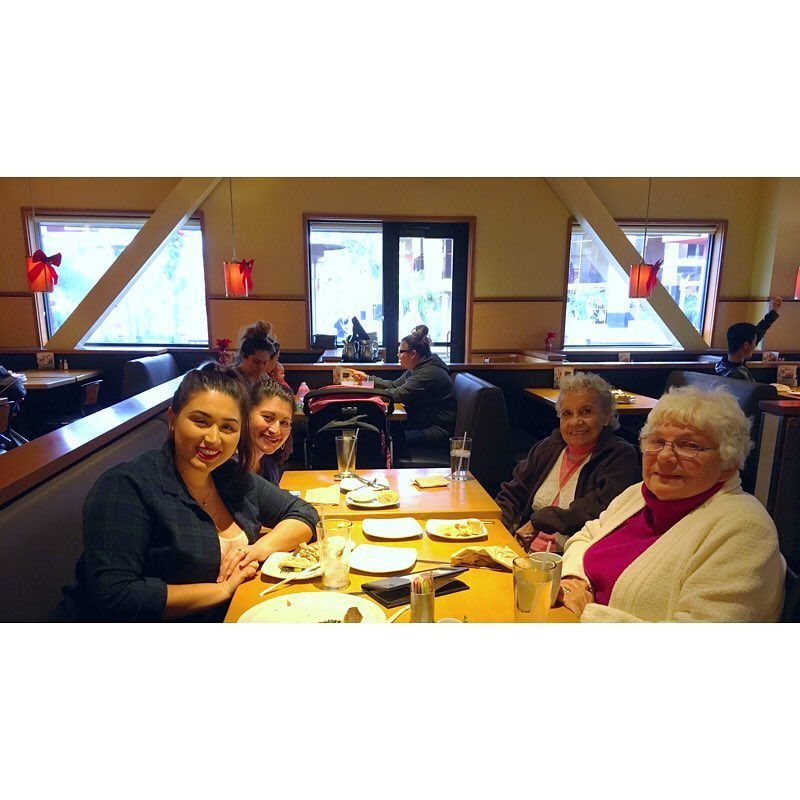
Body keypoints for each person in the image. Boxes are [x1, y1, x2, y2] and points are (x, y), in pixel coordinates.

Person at [53, 363, 318, 622]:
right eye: (201, 421)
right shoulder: (127, 486)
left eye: (228, 427)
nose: (214, 439)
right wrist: (222, 590)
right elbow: (115, 596)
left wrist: (258, 549)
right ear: (172, 419)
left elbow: (304, 514)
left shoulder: (229, 475)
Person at [559, 386, 785, 622]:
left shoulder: (745, 530)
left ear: (729, 463)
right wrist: (574, 581)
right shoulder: (639, 494)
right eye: (656, 441)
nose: (665, 457)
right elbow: (587, 535)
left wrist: (587, 612)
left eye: (690, 446)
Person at [496, 373, 640, 553]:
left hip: (573, 558)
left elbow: (598, 509)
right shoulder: (548, 447)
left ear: (606, 416)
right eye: (567, 414)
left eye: (586, 411)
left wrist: (538, 521)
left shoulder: (620, 456)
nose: (575, 422)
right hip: (522, 551)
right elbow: (514, 491)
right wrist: (496, 528)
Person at [347, 325, 455, 450]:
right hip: (419, 423)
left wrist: (366, 393)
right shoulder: (418, 367)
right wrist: (367, 380)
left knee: (381, 438)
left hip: (435, 430)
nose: (398, 355)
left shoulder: (428, 373)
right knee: (380, 430)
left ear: (413, 354)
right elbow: (393, 385)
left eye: (401, 351)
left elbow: (396, 395)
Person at [715, 296, 782, 381]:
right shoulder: (737, 376)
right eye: (754, 342)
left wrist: (774, 311)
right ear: (746, 345)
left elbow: (759, 331)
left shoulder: (723, 365)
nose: (755, 345)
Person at [247, 376, 294, 484]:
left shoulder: (269, 462)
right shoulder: (230, 468)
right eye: (267, 417)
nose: (275, 430)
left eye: (284, 423)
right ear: (246, 414)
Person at [234, 320, 280, 385]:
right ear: (244, 356)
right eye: (256, 362)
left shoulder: (264, 379)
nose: (260, 367)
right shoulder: (231, 379)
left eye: (264, 363)